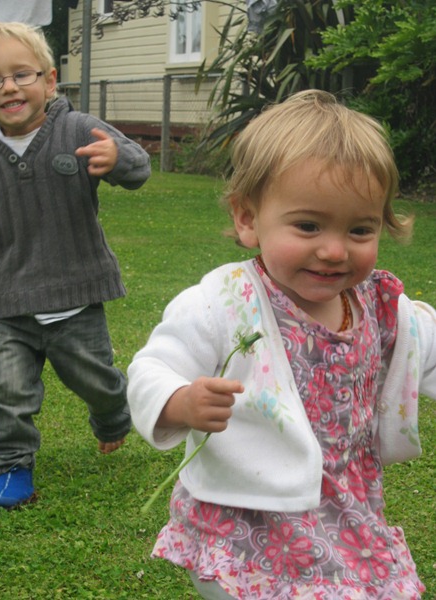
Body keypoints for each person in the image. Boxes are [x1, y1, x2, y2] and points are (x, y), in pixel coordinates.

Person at [127, 90, 436, 599]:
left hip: (345, 512)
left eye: (360, 229)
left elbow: (428, 350)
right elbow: (153, 367)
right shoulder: (224, 301)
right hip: (246, 517)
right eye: (308, 225)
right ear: (248, 218)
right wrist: (179, 401)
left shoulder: (381, 307)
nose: (334, 250)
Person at [0, 22, 151, 509]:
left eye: (21, 74)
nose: (9, 87)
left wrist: (117, 157)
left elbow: (139, 167)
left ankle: (113, 413)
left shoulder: (78, 128)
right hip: (5, 296)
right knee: (4, 387)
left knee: (94, 380)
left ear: (50, 80)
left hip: (75, 293)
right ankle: (13, 467)